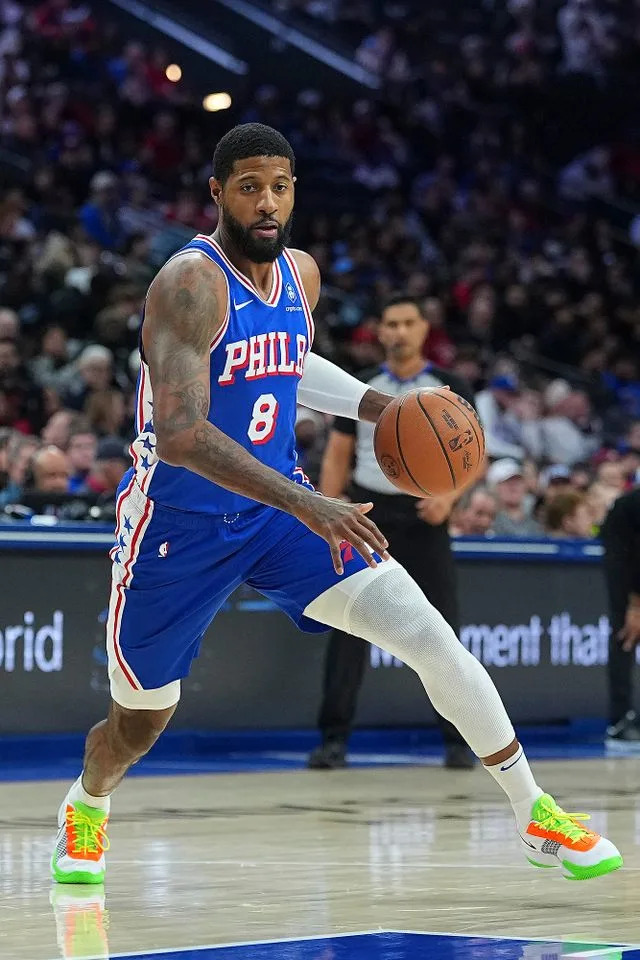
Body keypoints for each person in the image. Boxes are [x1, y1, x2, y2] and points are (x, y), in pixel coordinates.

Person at [51, 123, 621, 887]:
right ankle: (88, 804)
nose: (266, 201)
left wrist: (381, 408)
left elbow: (294, 359)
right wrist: (312, 501)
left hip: (278, 517)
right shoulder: (188, 283)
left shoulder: (300, 276)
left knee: (429, 635)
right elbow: (182, 435)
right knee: (139, 722)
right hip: (177, 526)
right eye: (249, 186)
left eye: (280, 186)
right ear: (218, 192)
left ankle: (534, 812)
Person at [307, 294, 475, 771]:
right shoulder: (360, 387)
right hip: (368, 514)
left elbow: (471, 454)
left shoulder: (451, 387)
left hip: (426, 519)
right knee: (349, 629)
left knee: (443, 633)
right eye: (390, 324)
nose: (399, 332)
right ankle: (333, 739)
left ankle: (461, 742)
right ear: (380, 332)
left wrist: (450, 496)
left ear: (425, 329)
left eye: (408, 323)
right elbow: (339, 451)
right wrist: (330, 506)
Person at [600, 488, 640, 749]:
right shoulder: (630, 507)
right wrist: (634, 604)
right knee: (625, 638)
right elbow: (633, 554)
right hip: (627, 579)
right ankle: (620, 720)